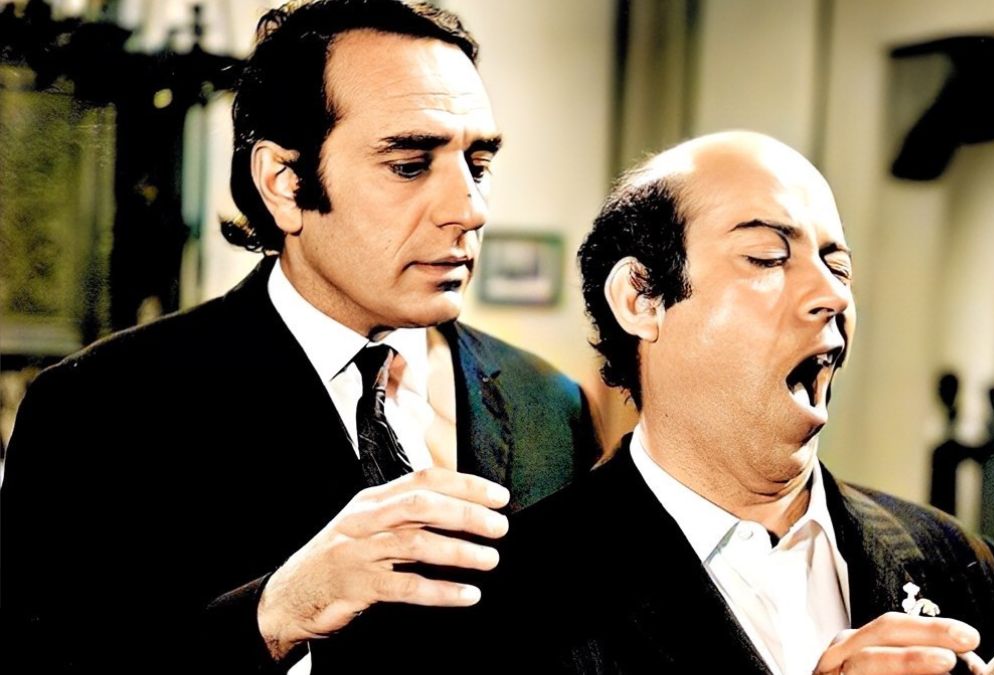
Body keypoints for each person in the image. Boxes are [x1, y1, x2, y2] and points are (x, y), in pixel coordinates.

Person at [0, 1, 597, 672]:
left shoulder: (549, 403)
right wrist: (276, 615)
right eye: (409, 164)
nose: (470, 209)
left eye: (477, 165)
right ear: (284, 184)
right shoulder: (97, 408)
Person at [477, 131, 994, 674]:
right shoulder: (510, 598)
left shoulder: (961, 565)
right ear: (642, 297)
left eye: (838, 267)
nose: (832, 295)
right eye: (769, 258)